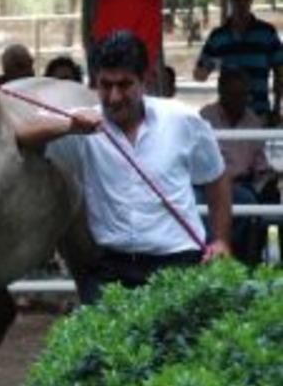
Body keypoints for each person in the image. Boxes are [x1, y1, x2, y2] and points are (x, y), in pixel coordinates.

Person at [17, 30, 232, 304]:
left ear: (146, 80)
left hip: (178, 261)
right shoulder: (83, 126)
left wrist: (221, 239)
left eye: (125, 84)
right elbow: (21, 133)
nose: (114, 97)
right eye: (105, 85)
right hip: (113, 266)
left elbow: (217, 177)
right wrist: (69, 125)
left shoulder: (182, 120)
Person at [199, 68, 278, 265]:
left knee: (251, 202)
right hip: (209, 183)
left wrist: (269, 176)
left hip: (243, 183)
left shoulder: (252, 120)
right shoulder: (205, 117)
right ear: (221, 93)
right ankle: (209, 257)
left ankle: (245, 261)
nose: (239, 100)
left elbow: (260, 163)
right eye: (233, 95)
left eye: (243, 95)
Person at [193, 0, 283, 125]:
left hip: (259, 115)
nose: (242, 2)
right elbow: (199, 75)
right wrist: (214, 63)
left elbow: (280, 73)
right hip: (226, 119)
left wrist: (277, 108)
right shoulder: (218, 37)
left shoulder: (267, 33)